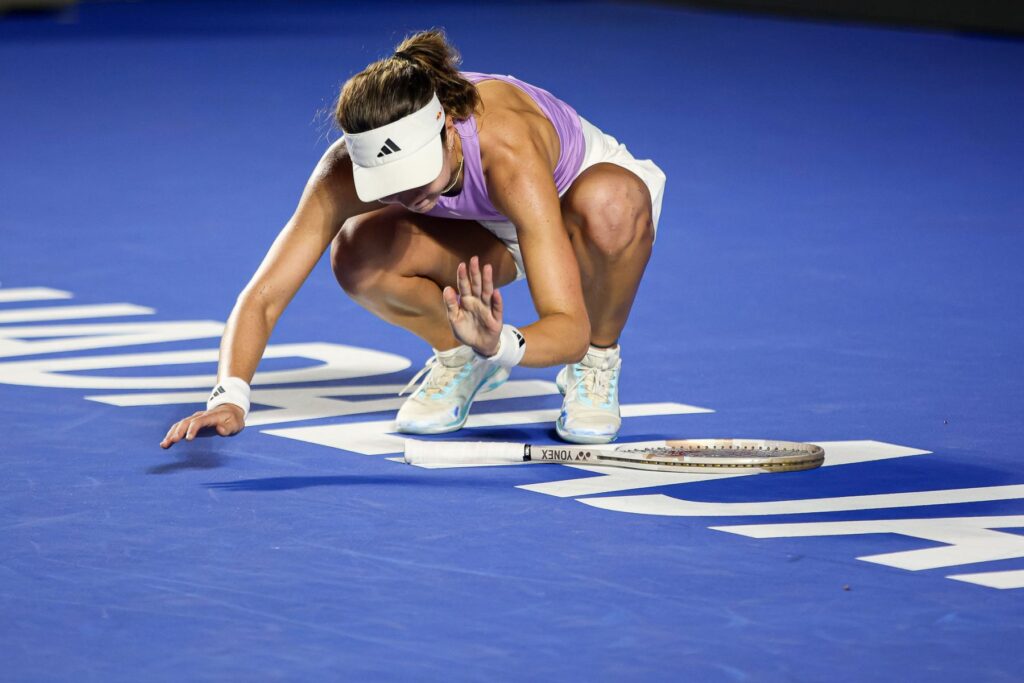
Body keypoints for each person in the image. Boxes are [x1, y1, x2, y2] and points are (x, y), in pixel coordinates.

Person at [160, 29, 665, 450]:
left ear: (447, 129)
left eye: (416, 173)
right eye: (390, 183)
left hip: (572, 207)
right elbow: (264, 295)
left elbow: (568, 327)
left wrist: (503, 344)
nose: (408, 195)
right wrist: (230, 396)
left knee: (612, 206)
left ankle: (598, 364)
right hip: (486, 228)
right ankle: (461, 355)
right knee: (358, 251)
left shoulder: (508, 149)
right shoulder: (346, 169)